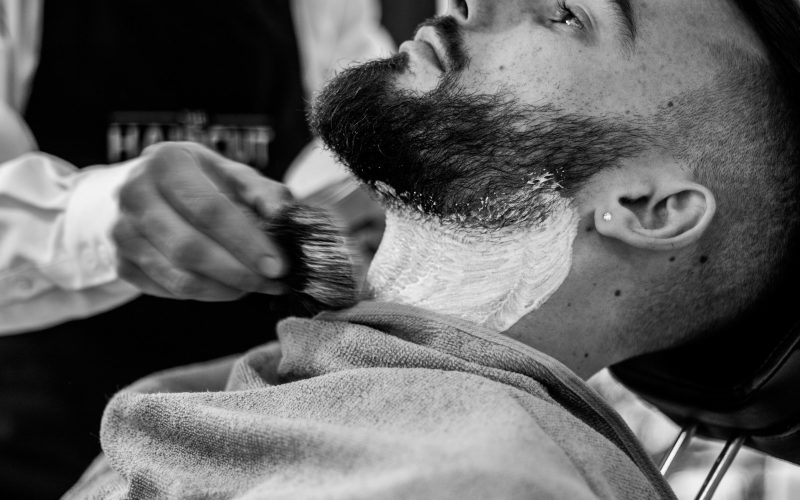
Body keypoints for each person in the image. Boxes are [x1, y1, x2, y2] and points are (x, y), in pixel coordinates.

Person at [63, 0, 800, 498]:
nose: (472, 3)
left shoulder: (476, 482)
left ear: (648, 208)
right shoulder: (285, 399)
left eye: (569, 11)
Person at [0, 1, 392, 498]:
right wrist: (89, 220)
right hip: (46, 414)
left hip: (262, 412)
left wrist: (351, 201)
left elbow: (345, 141)